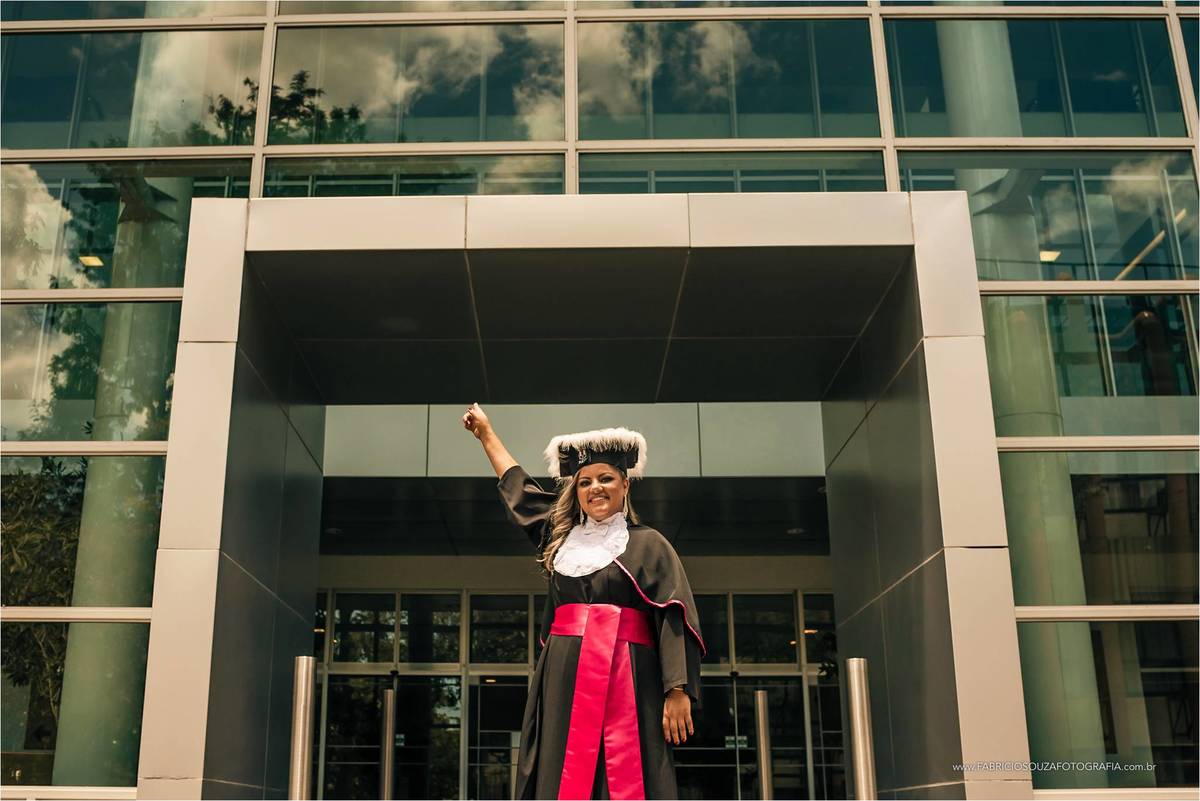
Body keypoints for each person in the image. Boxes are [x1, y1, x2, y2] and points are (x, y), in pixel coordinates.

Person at [462, 403, 704, 800]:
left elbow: (674, 618)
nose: (596, 488)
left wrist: (677, 690)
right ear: (575, 491)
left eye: (606, 478)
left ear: (625, 485)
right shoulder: (561, 538)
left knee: (627, 767)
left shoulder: (649, 544)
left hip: (630, 673)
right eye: (585, 482)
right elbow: (520, 491)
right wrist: (486, 435)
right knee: (562, 763)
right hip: (565, 674)